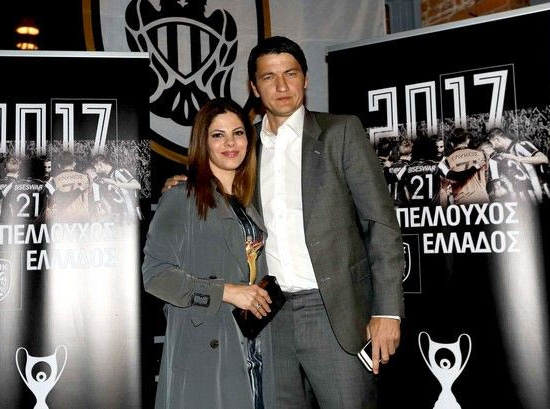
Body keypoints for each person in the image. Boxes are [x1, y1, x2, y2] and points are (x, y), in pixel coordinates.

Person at [166, 36, 404, 409]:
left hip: (334, 312)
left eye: (290, 74)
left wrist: (387, 311)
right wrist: (185, 184)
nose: (281, 86)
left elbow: (381, 224)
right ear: (254, 86)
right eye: (269, 77)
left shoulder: (340, 132)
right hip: (267, 315)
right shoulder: (245, 147)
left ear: (305, 79)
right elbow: (217, 191)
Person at [142, 98, 272, 409]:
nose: (230, 143)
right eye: (218, 135)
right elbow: (155, 276)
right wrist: (225, 291)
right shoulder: (181, 198)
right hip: (206, 346)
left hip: (253, 349)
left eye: (238, 133)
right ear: (204, 142)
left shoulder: (250, 202)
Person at [487, 127, 550, 202]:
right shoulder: (505, 154)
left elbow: (544, 159)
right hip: (529, 196)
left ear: (498, 140)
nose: (493, 147)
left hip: (542, 192)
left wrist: (517, 158)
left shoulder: (520, 145)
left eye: (492, 144)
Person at [438, 128, 488, 205]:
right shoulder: (481, 154)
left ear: (452, 143)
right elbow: (487, 177)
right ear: (467, 140)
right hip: (483, 199)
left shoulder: (447, 161)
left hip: (462, 202)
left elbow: (444, 188)